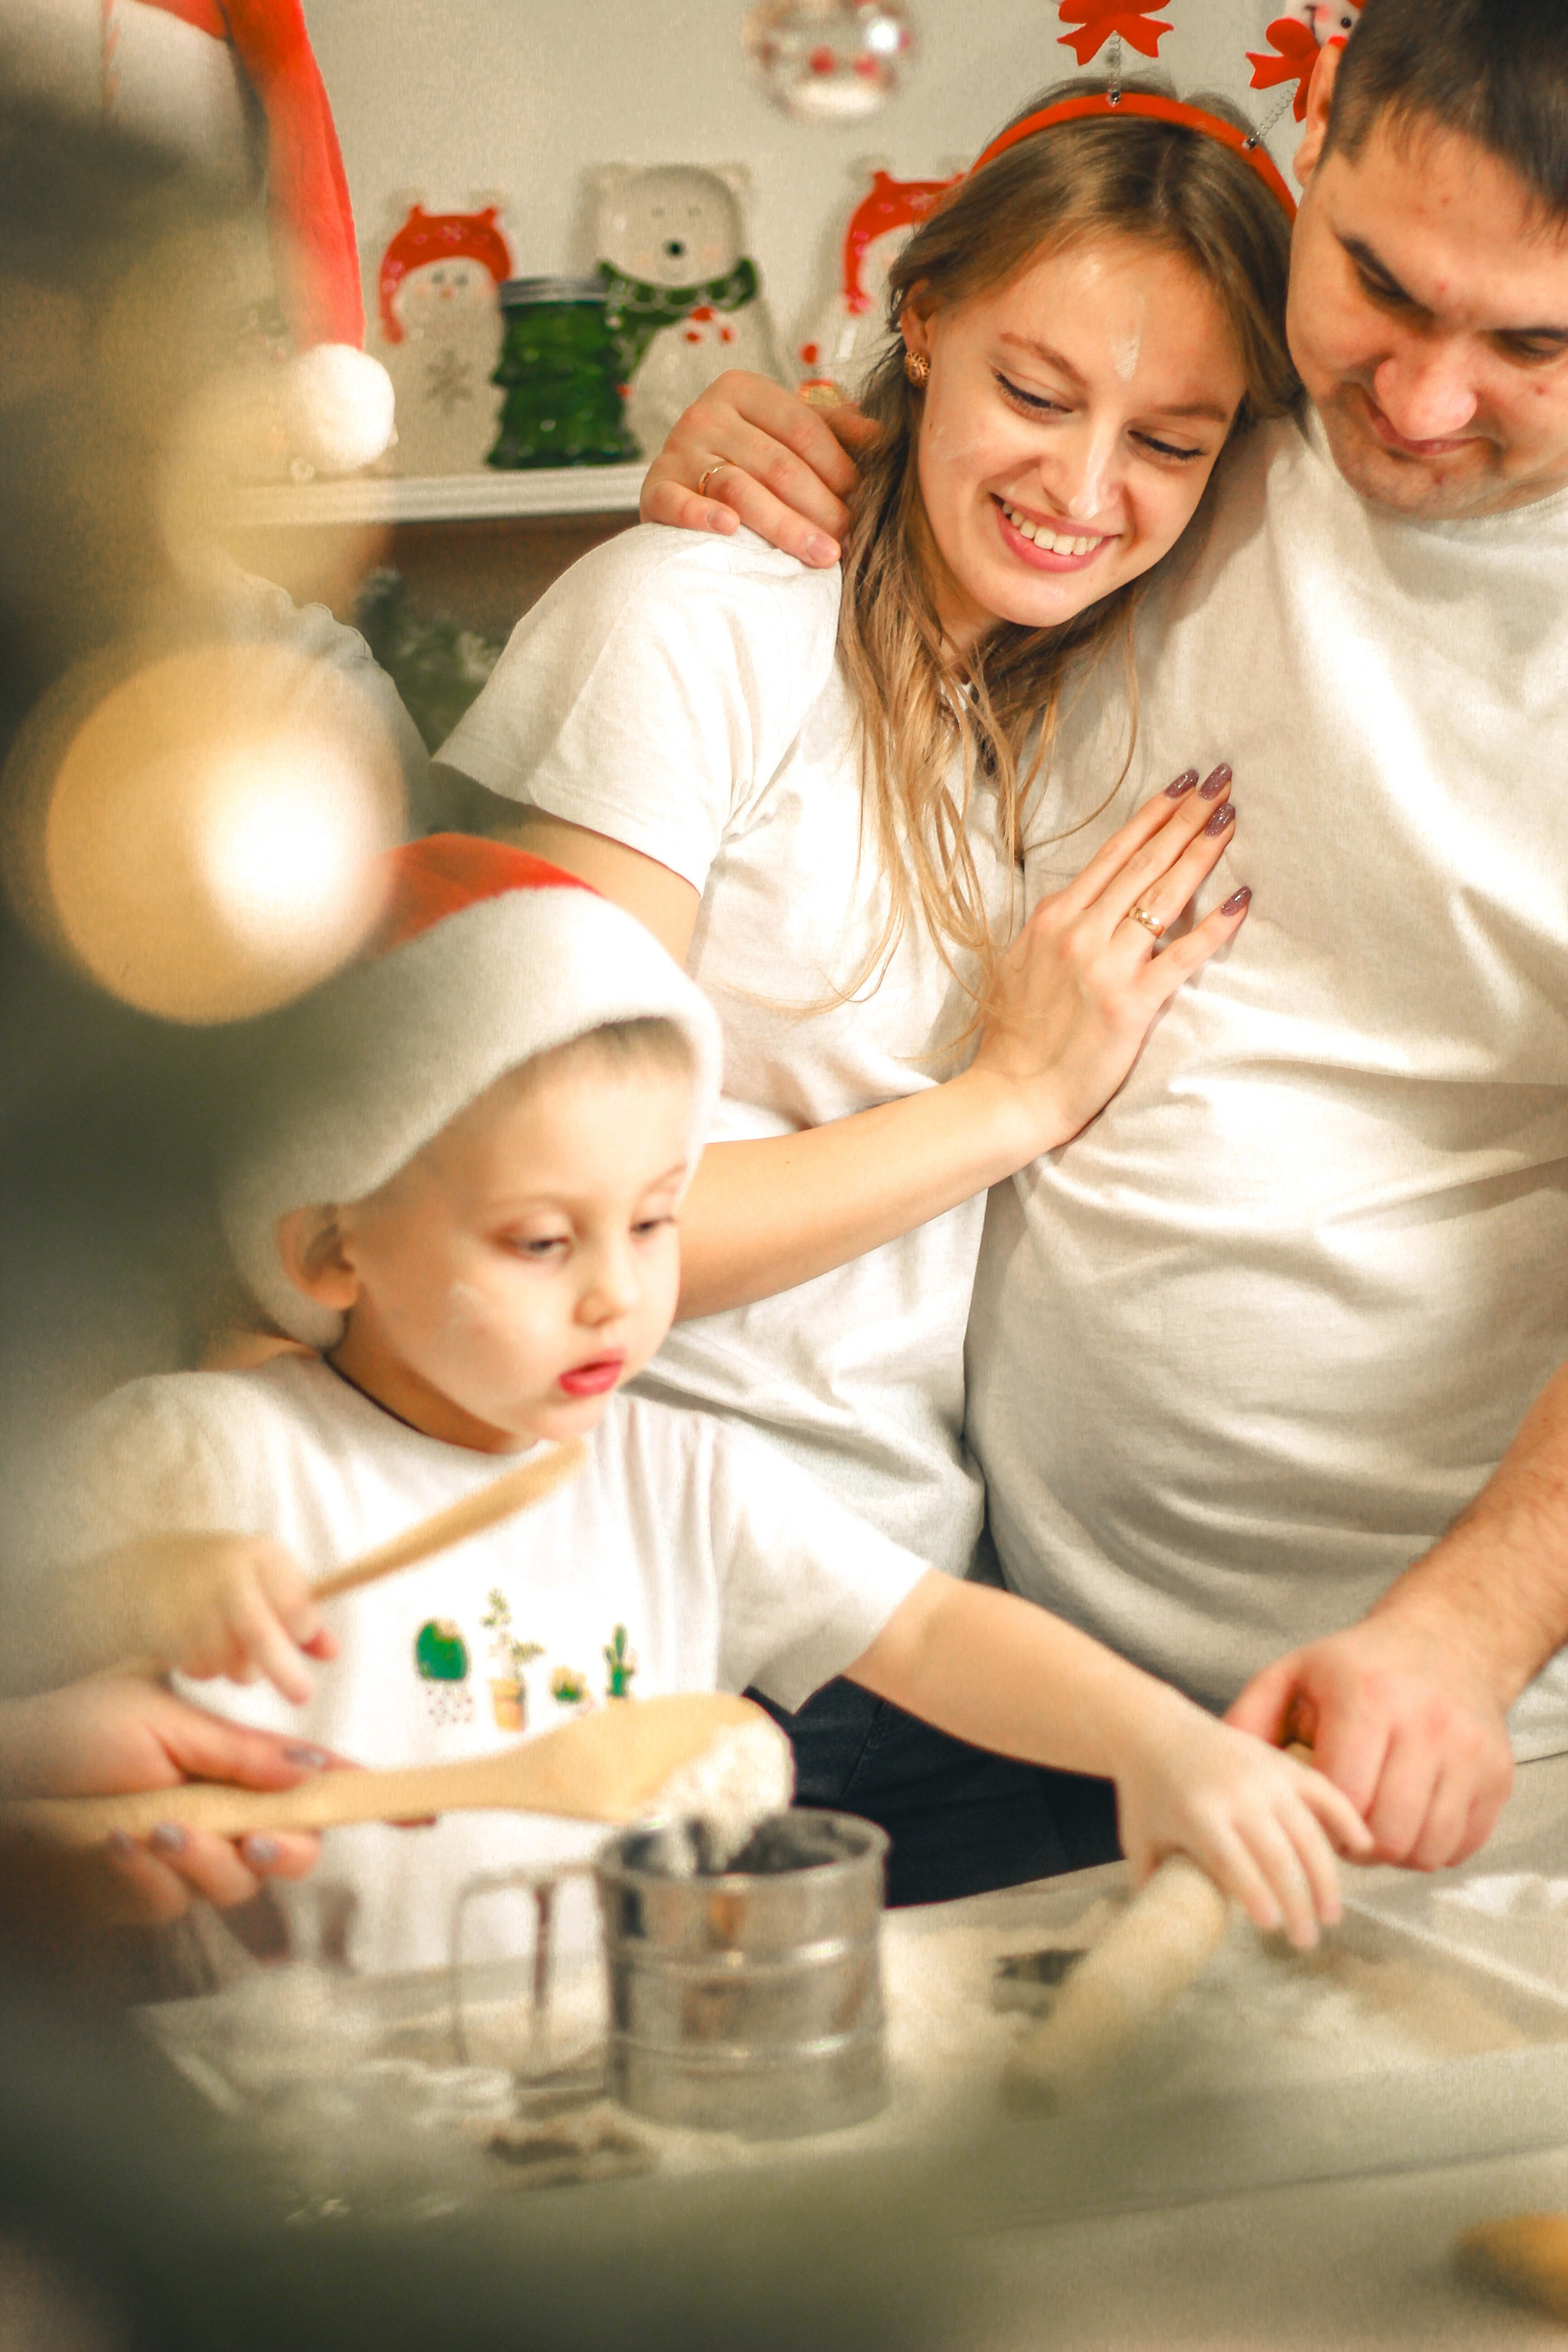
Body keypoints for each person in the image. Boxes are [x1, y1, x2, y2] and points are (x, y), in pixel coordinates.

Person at [635, 0, 1568, 1877]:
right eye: (1383, 285)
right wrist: (779, 445)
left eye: (1539, 345)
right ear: (1317, 133)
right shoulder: (1193, 427)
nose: (1423, 399)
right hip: (999, 1674)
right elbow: (994, 438)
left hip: (1429, 1737)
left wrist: (1458, 1647)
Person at [430, 78, 1299, 1892]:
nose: (1080, 489)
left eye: (1170, 440)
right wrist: (1012, 1101)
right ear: (923, 322)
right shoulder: (690, 625)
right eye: (1035, 392)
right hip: (644, 1618)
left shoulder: (1069, 689)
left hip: (926, 1603)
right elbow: (530, 1229)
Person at [29, 837, 1366, 1964]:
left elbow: (934, 1637)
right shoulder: (216, 1453)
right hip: (278, 2149)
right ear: (333, 1248)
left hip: (595, 2101)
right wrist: (140, 1585)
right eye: (542, 1243)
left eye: (655, 1221)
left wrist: (1162, 1746)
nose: (618, 1294)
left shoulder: (679, 1481)